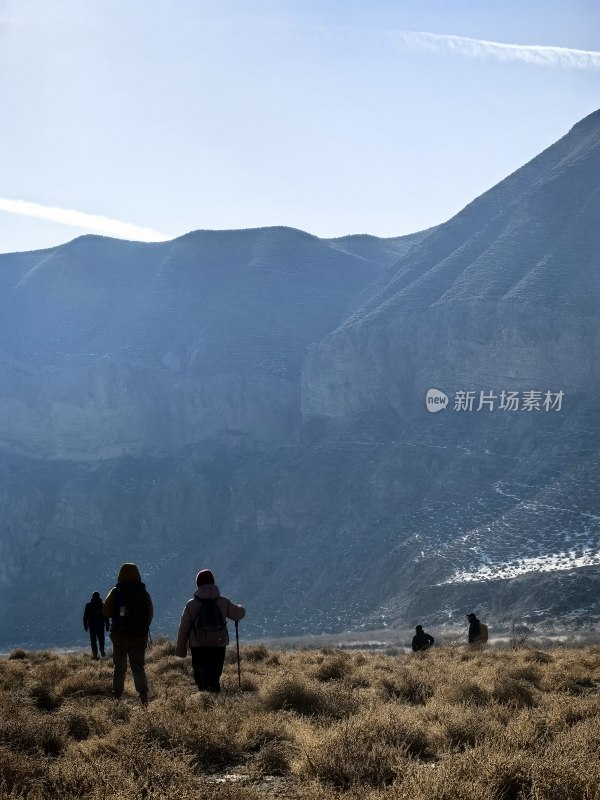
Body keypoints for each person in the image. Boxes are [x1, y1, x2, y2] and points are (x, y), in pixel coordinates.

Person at [175, 569, 245, 693]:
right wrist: (241, 607)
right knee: (215, 674)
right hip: (219, 644)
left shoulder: (191, 605)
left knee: (201, 674)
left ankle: (204, 699)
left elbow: (183, 629)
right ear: (213, 583)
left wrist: (181, 651)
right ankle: (215, 700)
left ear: (198, 584)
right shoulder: (223, 602)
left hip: (198, 646)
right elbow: (238, 614)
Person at [103, 563, 153, 706]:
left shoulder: (116, 592)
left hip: (120, 637)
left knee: (119, 669)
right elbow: (150, 614)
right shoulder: (143, 592)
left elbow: (105, 611)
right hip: (139, 637)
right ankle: (143, 698)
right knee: (138, 667)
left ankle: (117, 699)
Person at [83, 591, 109, 659]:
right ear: (99, 596)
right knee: (101, 639)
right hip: (100, 625)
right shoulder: (102, 605)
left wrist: (85, 625)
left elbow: (85, 616)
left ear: (92, 596)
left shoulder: (88, 605)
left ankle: (95, 654)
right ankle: (102, 649)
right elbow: (106, 616)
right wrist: (107, 625)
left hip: (92, 625)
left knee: (93, 640)